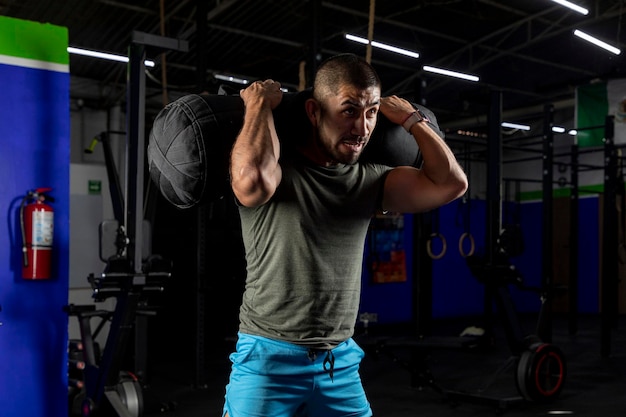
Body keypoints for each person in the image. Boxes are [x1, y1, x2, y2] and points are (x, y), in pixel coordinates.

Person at [223, 53, 468, 417]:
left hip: (338, 364)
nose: (363, 126)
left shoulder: (370, 180)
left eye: (371, 112)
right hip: (267, 359)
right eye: (349, 110)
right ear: (314, 112)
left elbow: (451, 184)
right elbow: (251, 180)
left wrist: (412, 120)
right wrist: (258, 103)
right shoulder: (278, 170)